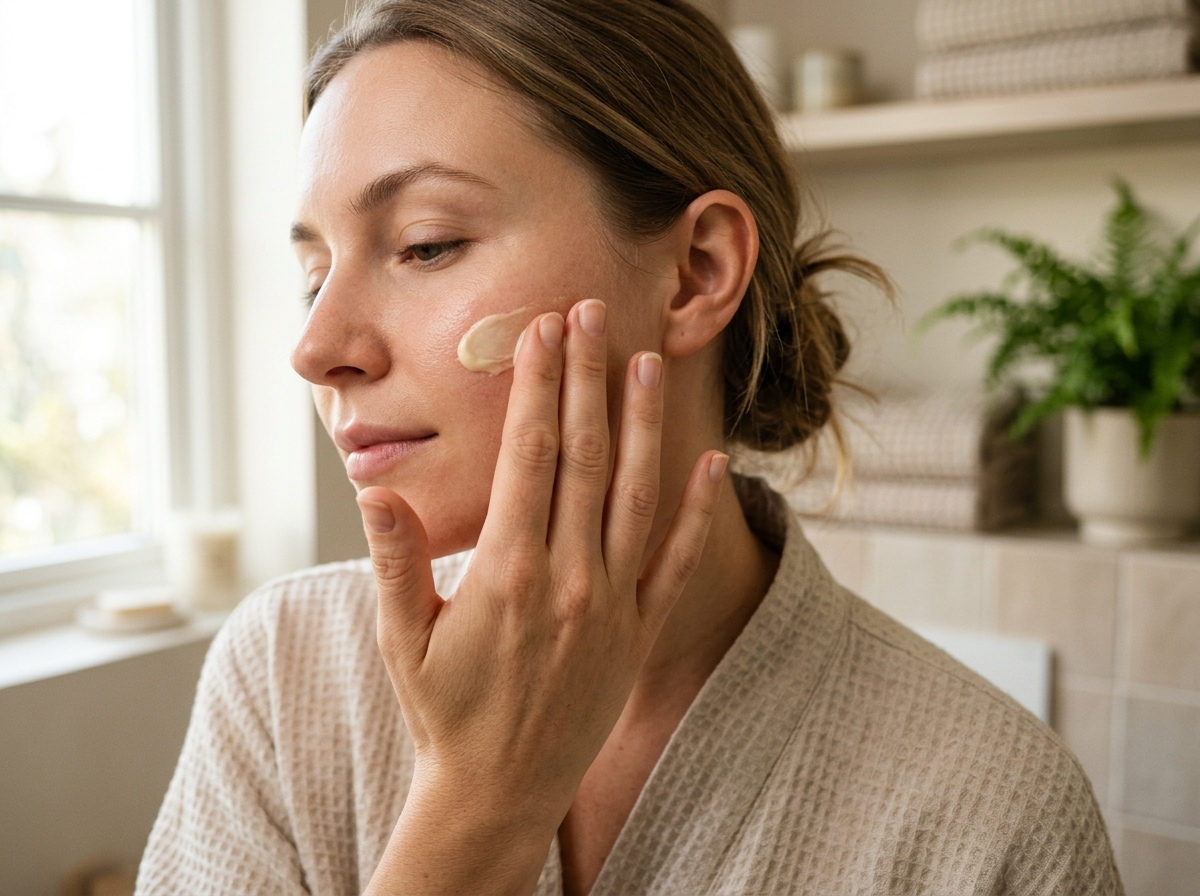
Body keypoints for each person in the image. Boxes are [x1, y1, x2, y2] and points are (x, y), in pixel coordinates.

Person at [137, 1, 1122, 894]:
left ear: (696, 270)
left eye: (427, 243)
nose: (315, 348)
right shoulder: (283, 676)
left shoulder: (995, 815)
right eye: (314, 276)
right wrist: (478, 804)